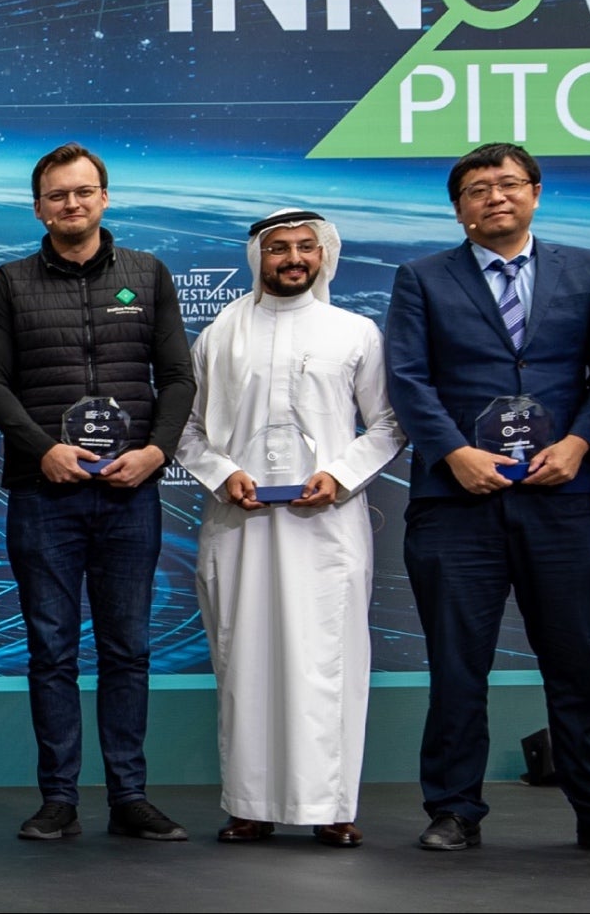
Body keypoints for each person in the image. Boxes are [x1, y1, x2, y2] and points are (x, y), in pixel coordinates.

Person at [384, 142, 590, 854]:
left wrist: (581, 442)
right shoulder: (421, 277)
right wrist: (455, 453)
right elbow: (407, 378)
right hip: (456, 502)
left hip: (563, 497)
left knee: (575, 661)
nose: (494, 196)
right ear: (458, 208)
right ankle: (454, 809)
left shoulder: (586, 269)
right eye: (476, 188)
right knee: (457, 663)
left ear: (535, 192)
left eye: (508, 183)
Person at [0, 143, 195, 844]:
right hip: (44, 494)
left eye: (83, 191)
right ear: (39, 208)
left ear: (104, 198)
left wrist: (156, 452)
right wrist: (44, 449)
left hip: (131, 492)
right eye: (57, 195)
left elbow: (178, 378)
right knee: (52, 650)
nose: (71, 203)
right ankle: (59, 798)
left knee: (128, 648)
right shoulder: (10, 282)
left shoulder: (148, 274)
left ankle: (129, 794)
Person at [177, 209, 404, 848]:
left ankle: (332, 806)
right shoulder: (219, 336)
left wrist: (340, 474)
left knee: (328, 661)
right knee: (244, 662)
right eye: (279, 248)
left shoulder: (354, 332)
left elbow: (388, 423)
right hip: (240, 524)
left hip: (326, 524)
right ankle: (250, 805)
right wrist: (222, 473)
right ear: (259, 257)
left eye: (306, 247)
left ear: (323, 256)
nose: (294, 258)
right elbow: (187, 429)